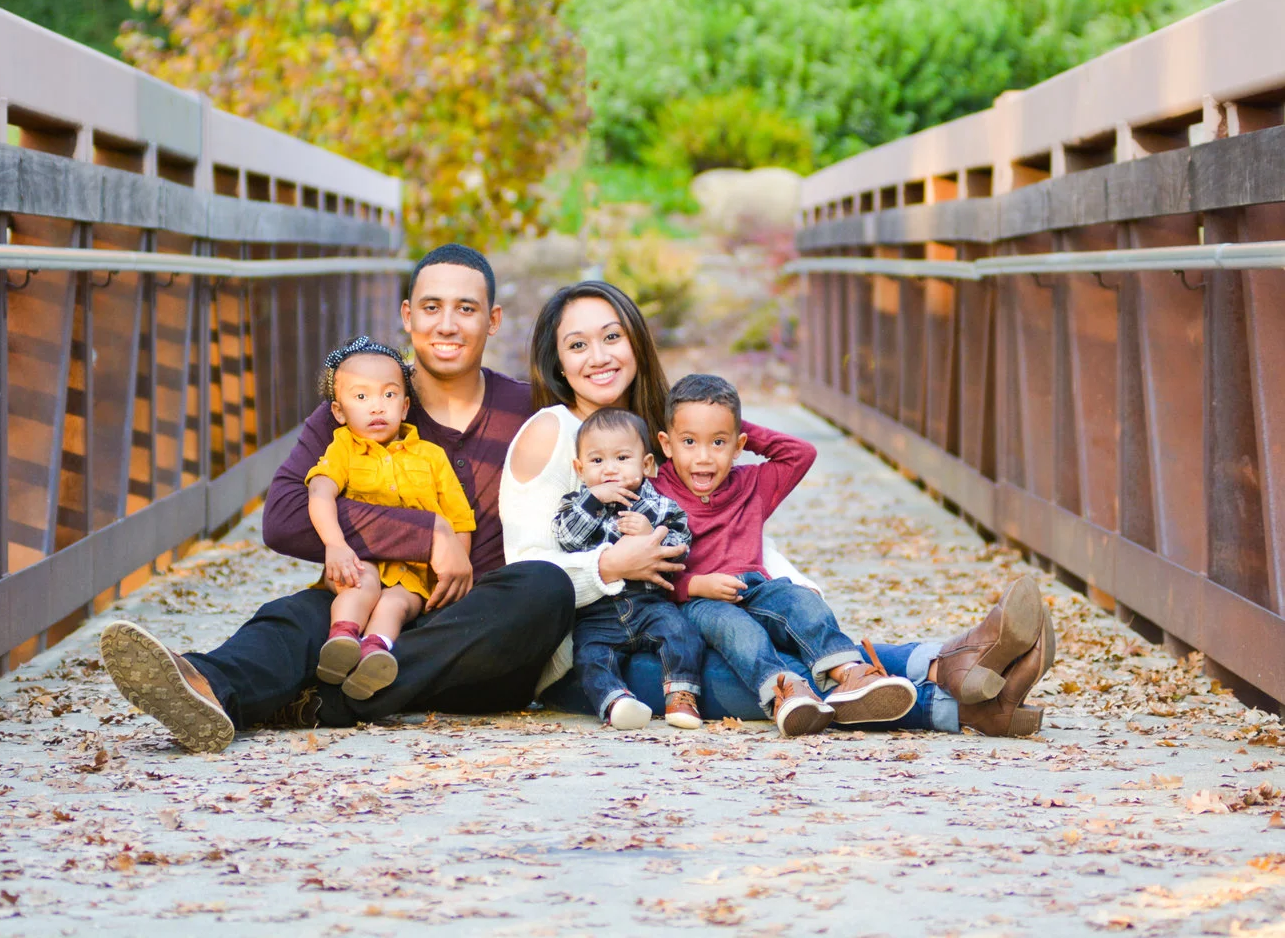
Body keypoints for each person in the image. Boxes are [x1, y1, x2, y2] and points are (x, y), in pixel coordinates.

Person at [501, 280, 1056, 736]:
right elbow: (528, 577)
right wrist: (611, 566)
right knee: (756, 667)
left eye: (611, 337)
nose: (598, 356)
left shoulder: (653, 437)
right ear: (558, 361)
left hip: (666, 620)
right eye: (578, 345)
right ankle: (964, 699)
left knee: (785, 627)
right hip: (594, 658)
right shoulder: (553, 432)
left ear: (636, 343)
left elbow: (728, 526)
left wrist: (788, 576)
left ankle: (949, 663)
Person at [100, 244, 572, 752]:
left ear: (493, 319)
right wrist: (425, 534)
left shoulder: (534, 410)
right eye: (432, 307)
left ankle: (326, 698)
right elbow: (282, 515)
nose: (447, 325)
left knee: (545, 588)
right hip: (369, 602)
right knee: (305, 612)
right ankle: (208, 685)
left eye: (467, 308)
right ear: (407, 316)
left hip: (476, 633)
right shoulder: (358, 402)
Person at [655, 373, 916, 734]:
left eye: (718, 442)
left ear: (739, 444)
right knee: (738, 631)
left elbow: (800, 454)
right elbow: (650, 573)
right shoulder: (655, 492)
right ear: (666, 445)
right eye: (689, 441)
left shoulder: (753, 484)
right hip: (701, 601)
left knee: (801, 601)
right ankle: (786, 691)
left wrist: (729, 420)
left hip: (756, 587)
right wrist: (695, 585)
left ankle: (849, 675)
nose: (703, 457)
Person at [304, 336, 476, 700]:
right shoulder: (343, 449)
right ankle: (342, 641)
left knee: (395, 604)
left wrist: (457, 572)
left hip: (413, 576)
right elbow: (320, 492)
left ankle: (375, 653)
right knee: (361, 583)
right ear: (339, 411)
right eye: (361, 397)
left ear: (405, 404)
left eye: (388, 394)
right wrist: (334, 545)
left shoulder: (431, 457)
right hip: (358, 561)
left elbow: (458, 518)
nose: (376, 407)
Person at [553, 408, 703, 729]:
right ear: (580, 469)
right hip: (598, 612)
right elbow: (565, 538)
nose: (610, 470)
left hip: (649, 604)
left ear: (646, 464)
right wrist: (593, 500)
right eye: (596, 462)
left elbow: (680, 548)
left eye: (622, 458)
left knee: (682, 634)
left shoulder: (660, 506)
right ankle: (617, 702)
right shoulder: (576, 504)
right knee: (589, 656)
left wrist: (652, 536)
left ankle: (680, 696)